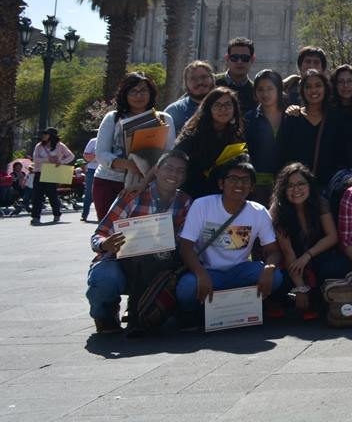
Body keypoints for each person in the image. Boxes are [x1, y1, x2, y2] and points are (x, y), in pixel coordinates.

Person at [86, 150, 192, 333]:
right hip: (121, 261)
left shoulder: (185, 202)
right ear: (156, 170)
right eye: (169, 168)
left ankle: (147, 311)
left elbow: (185, 241)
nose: (174, 174)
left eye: (180, 171)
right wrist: (105, 244)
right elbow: (99, 234)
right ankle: (105, 315)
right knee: (105, 277)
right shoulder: (132, 196)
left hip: (159, 264)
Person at [176, 158, 284, 318]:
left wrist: (269, 269)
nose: (239, 184)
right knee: (186, 288)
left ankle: (238, 307)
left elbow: (274, 251)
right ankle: (198, 315)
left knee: (275, 277)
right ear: (221, 184)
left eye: (245, 180)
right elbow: (185, 247)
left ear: (252, 187)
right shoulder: (202, 205)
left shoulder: (259, 212)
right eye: (233, 179)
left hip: (240, 271)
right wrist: (201, 274)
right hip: (208, 271)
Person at [269, 163, 349, 315]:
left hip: (314, 256)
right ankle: (285, 299)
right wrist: (300, 287)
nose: (296, 190)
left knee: (336, 267)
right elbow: (287, 252)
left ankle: (318, 299)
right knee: (280, 281)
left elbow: (332, 237)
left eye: (301, 184)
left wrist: (307, 256)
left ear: (310, 185)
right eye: (290, 186)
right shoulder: (277, 210)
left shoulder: (320, 202)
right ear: (283, 189)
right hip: (289, 262)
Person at [94, 73, 176, 220]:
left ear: (151, 93)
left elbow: (169, 154)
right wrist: (129, 165)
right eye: (133, 91)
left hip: (148, 183)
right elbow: (101, 154)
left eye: (144, 90)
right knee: (109, 233)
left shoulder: (164, 119)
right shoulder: (113, 118)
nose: (139, 95)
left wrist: (146, 177)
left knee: (141, 236)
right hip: (110, 183)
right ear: (124, 94)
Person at [280, 69, 350, 189]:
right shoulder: (292, 118)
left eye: (318, 85)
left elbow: (342, 156)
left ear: (325, 88)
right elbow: (283, 155)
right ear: (302, 90)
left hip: (328, 188)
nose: (313, 90)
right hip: (298, 188)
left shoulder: (336, 118)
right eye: (308, 86)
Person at [175, 88, 247, 199]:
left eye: (228, 105)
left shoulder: (236, 135)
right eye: (217, 105)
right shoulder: (193, 134)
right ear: (209, 109)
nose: (223, 109)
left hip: (221, 196)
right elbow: (173, 158)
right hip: (192, 194)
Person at [245, 69, 286, 203]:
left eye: (270, 89)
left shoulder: (292, 116)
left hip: (285, 184)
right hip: (256, 187)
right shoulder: (249, 119)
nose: (265, 94)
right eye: (260, 89)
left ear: (278, 90)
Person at [29, 128, 74, 225]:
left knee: (52, 195)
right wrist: (47, 159)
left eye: (46, 134)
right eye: (43, 133)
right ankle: (35, 217)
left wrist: (61, 162)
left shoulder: (60, 146)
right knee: (37, 195)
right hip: (39, 172)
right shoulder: (39, 146)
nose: (43, 135)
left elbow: (71, 156)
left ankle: (57, 213)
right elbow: (35, 158)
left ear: (51, 135)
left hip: (52, 172)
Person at [164, 60, 217, 136]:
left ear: (212, 79)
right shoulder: (174, 111)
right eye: (193, 79)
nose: (199, 82)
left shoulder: (226, 107)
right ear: (186, 84)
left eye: (204, 77)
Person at [215, 37, 257, 115]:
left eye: (245, 58)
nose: (239, 62)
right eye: (234, 57)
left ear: (253, 59)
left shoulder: (256, 92)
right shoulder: (211, 83)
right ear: (227, 58)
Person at [80, 136, 99, 222]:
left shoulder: (111, 140)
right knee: (88, 192)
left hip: (106, 169)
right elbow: (86, 155)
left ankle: (102, 215)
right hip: (92, 169)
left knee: (104, 192)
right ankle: (85, 214)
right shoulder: (93, 141)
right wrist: (97, 155)